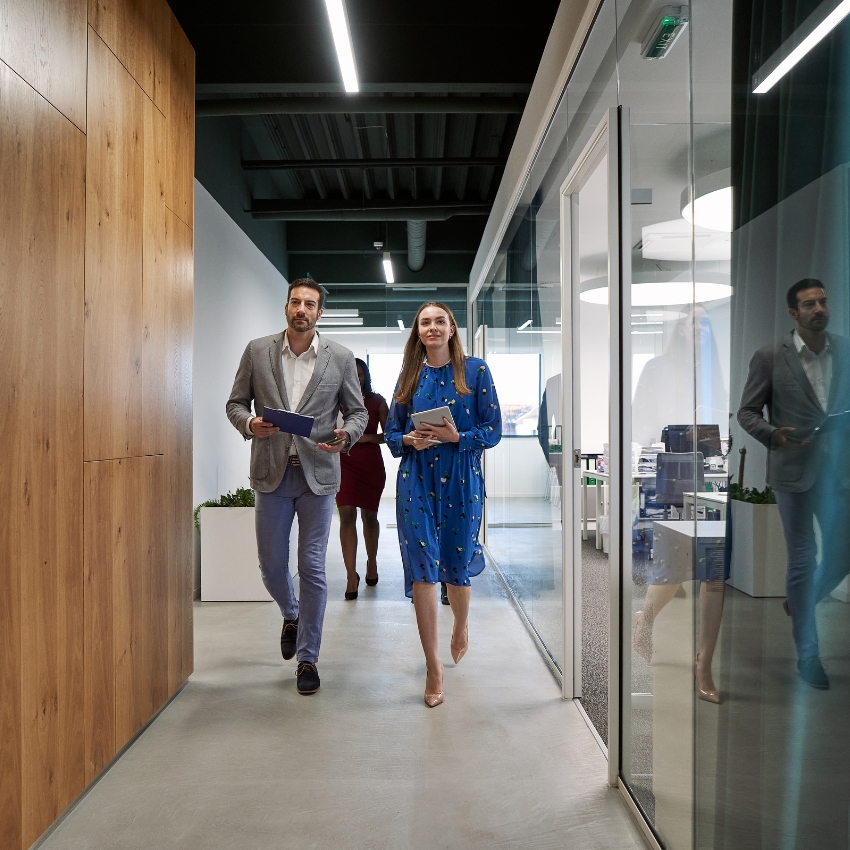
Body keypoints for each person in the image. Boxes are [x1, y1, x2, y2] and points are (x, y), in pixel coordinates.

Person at [226, 278, 368, 696]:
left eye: (309, 304)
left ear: (319, 312)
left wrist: (346, 435)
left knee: (313, 567)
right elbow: (235, 402)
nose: (301, 309)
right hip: (271, 473)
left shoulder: (340, 358)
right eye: (295, 302)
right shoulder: (257, 351)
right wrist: (250, 424)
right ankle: (291, 613)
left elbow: (357, 413)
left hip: (318, 476)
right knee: (271, 566)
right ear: (286, 307)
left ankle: (308, 659)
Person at [385, 301, 501, 707]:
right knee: (423, 570)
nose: (432, 328)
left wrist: (459, 439)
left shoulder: (476, 371)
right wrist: (407, 440)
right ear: (418, 332)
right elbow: (391, 432)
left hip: (462, 478)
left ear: (452, 329)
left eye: (439, 321)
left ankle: (461, 625)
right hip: (416, 478)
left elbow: (494, 429)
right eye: (425, 322)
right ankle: (433, 667)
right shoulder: (409, 375)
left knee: (456, 566)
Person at [738, 278, 850, 689]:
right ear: (793, 313)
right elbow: (747, 412)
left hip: (839, 471)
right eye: (809, 304)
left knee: (842, 554)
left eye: (823, 301)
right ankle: (809, 656)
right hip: (792, 471)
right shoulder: (770, 357)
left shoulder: (845, 349)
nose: (819, 309)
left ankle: (798, 600)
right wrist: (772, 434)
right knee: (803, 557)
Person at [631, 305, 729, 702]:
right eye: (692, 321)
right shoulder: (655, 368)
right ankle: (645, 619)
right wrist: (674, 433)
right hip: (670, 474)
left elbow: (724, 419)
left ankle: (703, 664)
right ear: (678, 329)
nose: (699, 328)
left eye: (704, 322)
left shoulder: (714, 372)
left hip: (711, 475)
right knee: (672, 568)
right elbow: (638, 421)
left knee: (714, 573)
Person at [337, 358, 388, 599]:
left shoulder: (378, 402)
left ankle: (372, 562)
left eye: (360, 374)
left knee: (370, 517)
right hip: (342, 463)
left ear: (365, 376)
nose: (356, 378)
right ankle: (350, 575)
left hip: (370, 464)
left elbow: (389, 435)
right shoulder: (335, 402)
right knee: (346, 516)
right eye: (352, 374)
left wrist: (365, 438)